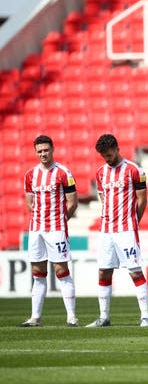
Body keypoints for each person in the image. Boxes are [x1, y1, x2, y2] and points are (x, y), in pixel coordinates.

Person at [86, 134, 148, 327]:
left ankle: (145, 317)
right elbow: (103, 198)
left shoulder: (134, 170)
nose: (107, 158)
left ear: (117, 148)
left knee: (135, 272)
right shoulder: (100, 172)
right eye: (103, 156)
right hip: (106, 230)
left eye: (109, 154)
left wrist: (133, 221)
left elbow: (142, 200)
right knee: (103, 272)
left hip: (126, 230)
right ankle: (104, 317)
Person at [20, 135, 78, 327]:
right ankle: (35, 317)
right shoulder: (30, 175)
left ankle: (71, 317)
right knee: (38, 272)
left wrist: (60, 220)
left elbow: (72, 202)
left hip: (56, 229)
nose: (43, 154)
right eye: (39, 151)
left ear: (52, 149)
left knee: (61, 270)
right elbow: (29, 202)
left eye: (46, 150)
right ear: (36, 152)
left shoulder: (63, 173)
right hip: (36, 230)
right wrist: (39, 218)